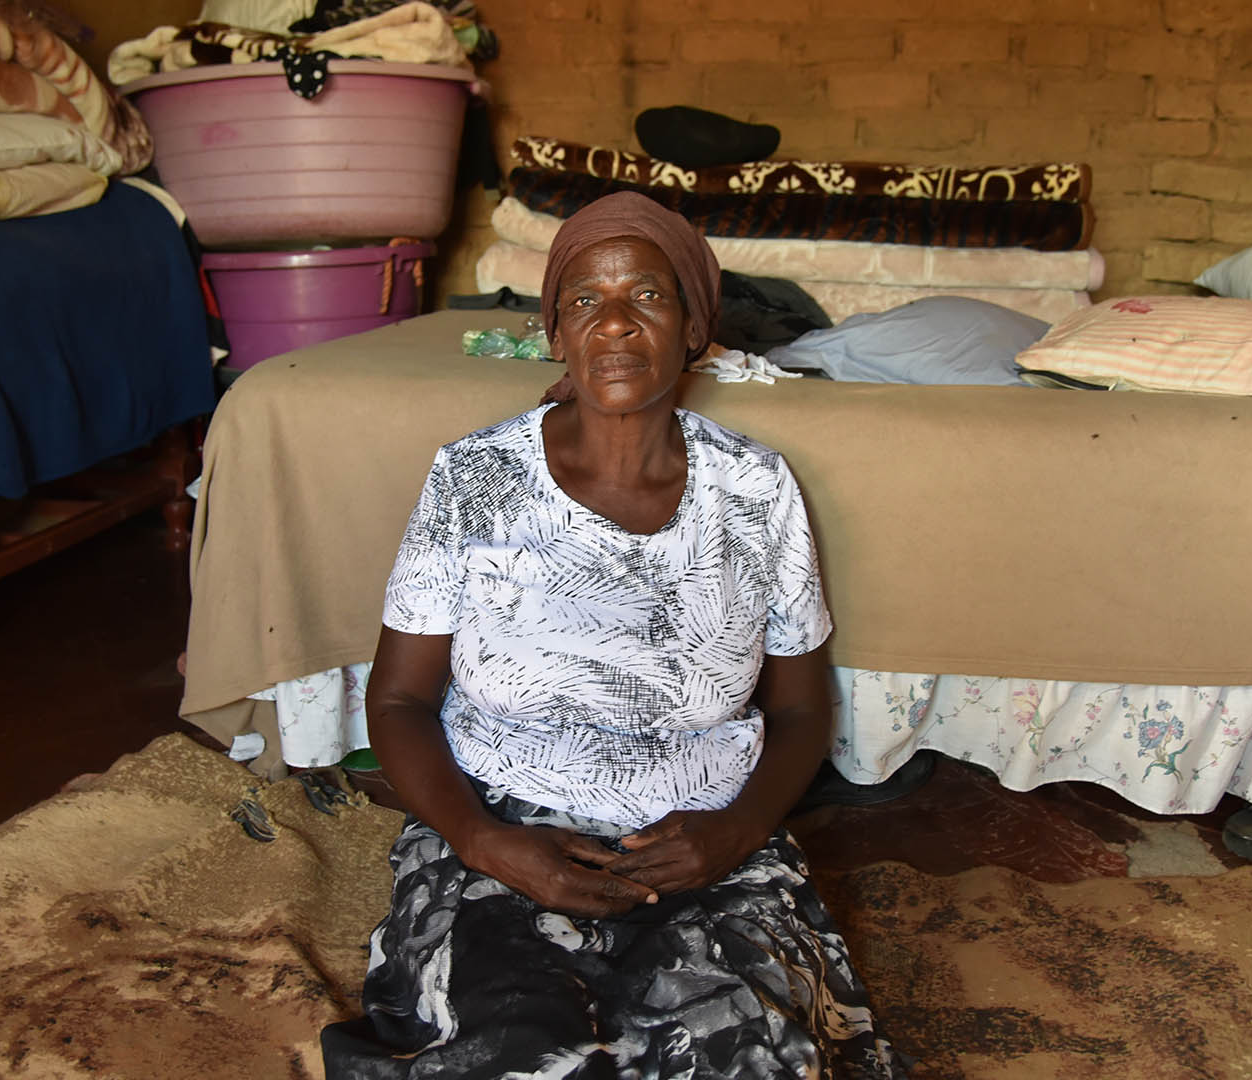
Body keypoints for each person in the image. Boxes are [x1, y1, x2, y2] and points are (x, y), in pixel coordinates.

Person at [319, 192, 911, 1078]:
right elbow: (399, 698)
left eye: (648, 296)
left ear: (694, 329)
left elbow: (796, 711)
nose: (617, 324)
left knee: (745, 1051)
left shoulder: (756, 491)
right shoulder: (475, 477)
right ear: (555, 334)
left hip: (702, 834)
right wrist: (482, 842)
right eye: (586, 301)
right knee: (520, 1050)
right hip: (504, 821)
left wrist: (738, 829)